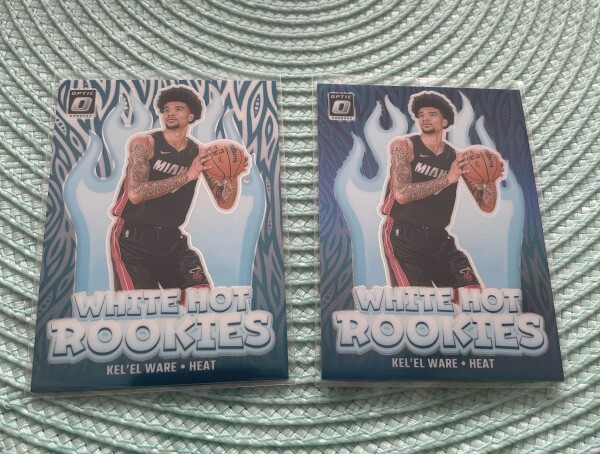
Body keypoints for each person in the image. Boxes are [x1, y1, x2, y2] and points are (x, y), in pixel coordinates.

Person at [110, 85, 243, 295]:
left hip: (172, 238)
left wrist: (232, 175)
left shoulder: (200, 153)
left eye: (178, 109)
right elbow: (135, 194)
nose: (170, 113)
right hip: (133, 239)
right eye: (166, 109)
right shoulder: (144, 143)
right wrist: (187, 175)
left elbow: (224, 202)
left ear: (191, 116)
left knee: (201, 299)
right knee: (141, 307)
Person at [380, 90, 503, 304]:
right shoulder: (404, 146)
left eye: (432, 114)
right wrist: (448, 178)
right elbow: (401, 194)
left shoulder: (457, 157)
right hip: (403, 237)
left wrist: (490, 180)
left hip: (439, 238)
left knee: (473, 299)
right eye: (421, 115)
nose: (425, 118)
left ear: (445, 121)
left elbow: (486, 206)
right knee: (420, 304)